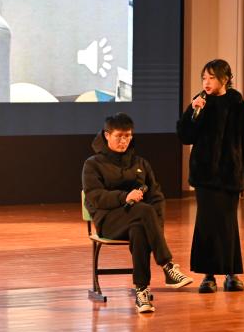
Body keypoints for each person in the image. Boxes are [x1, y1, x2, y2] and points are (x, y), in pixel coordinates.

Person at [82, 113, 193, 313]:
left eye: (128, 136)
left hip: (139, 219)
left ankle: (142, 292)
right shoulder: (93, 164)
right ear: (107, 135)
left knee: (140, 230)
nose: (124, 141)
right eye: (119, 136)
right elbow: (95, 197)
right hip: (109, 222)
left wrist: (156, 228)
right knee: (143, 211)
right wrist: (124, 197)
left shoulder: (140, 163)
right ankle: (167, 266)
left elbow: (156, 197)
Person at [177, 59, 244, 293]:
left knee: (227, 224)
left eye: (212, 78)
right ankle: (208, 276)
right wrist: (192, 111)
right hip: (204, 176)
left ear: (225, 79)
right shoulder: (200, 104)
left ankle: (232, 274)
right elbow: (185, 136)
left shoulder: (240, 108)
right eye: (204, 78)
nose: (207, 82)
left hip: (230, 176)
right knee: (206, 224)